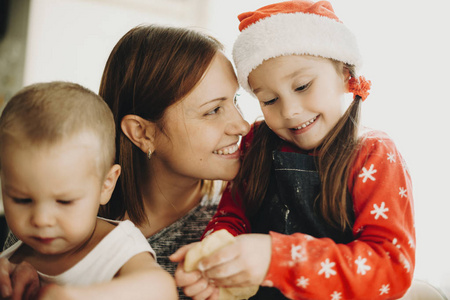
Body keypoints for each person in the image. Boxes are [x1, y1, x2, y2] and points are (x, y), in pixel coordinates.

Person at [172, 1, 416, 299]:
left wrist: (279, 258)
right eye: (269, 100)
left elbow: (390, 268)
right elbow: (231, 217)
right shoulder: (255, 143)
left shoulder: (374, 155)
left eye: (302, 87)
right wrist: (214, 259)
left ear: (344, 74)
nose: (289, 111)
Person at [0, 82, 177, 300]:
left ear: (106, 185)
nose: (42, 219)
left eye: (64, 201)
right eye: (22, 200)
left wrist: (72, 297)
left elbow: (162, 289)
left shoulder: (117, 245)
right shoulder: (8, 263)